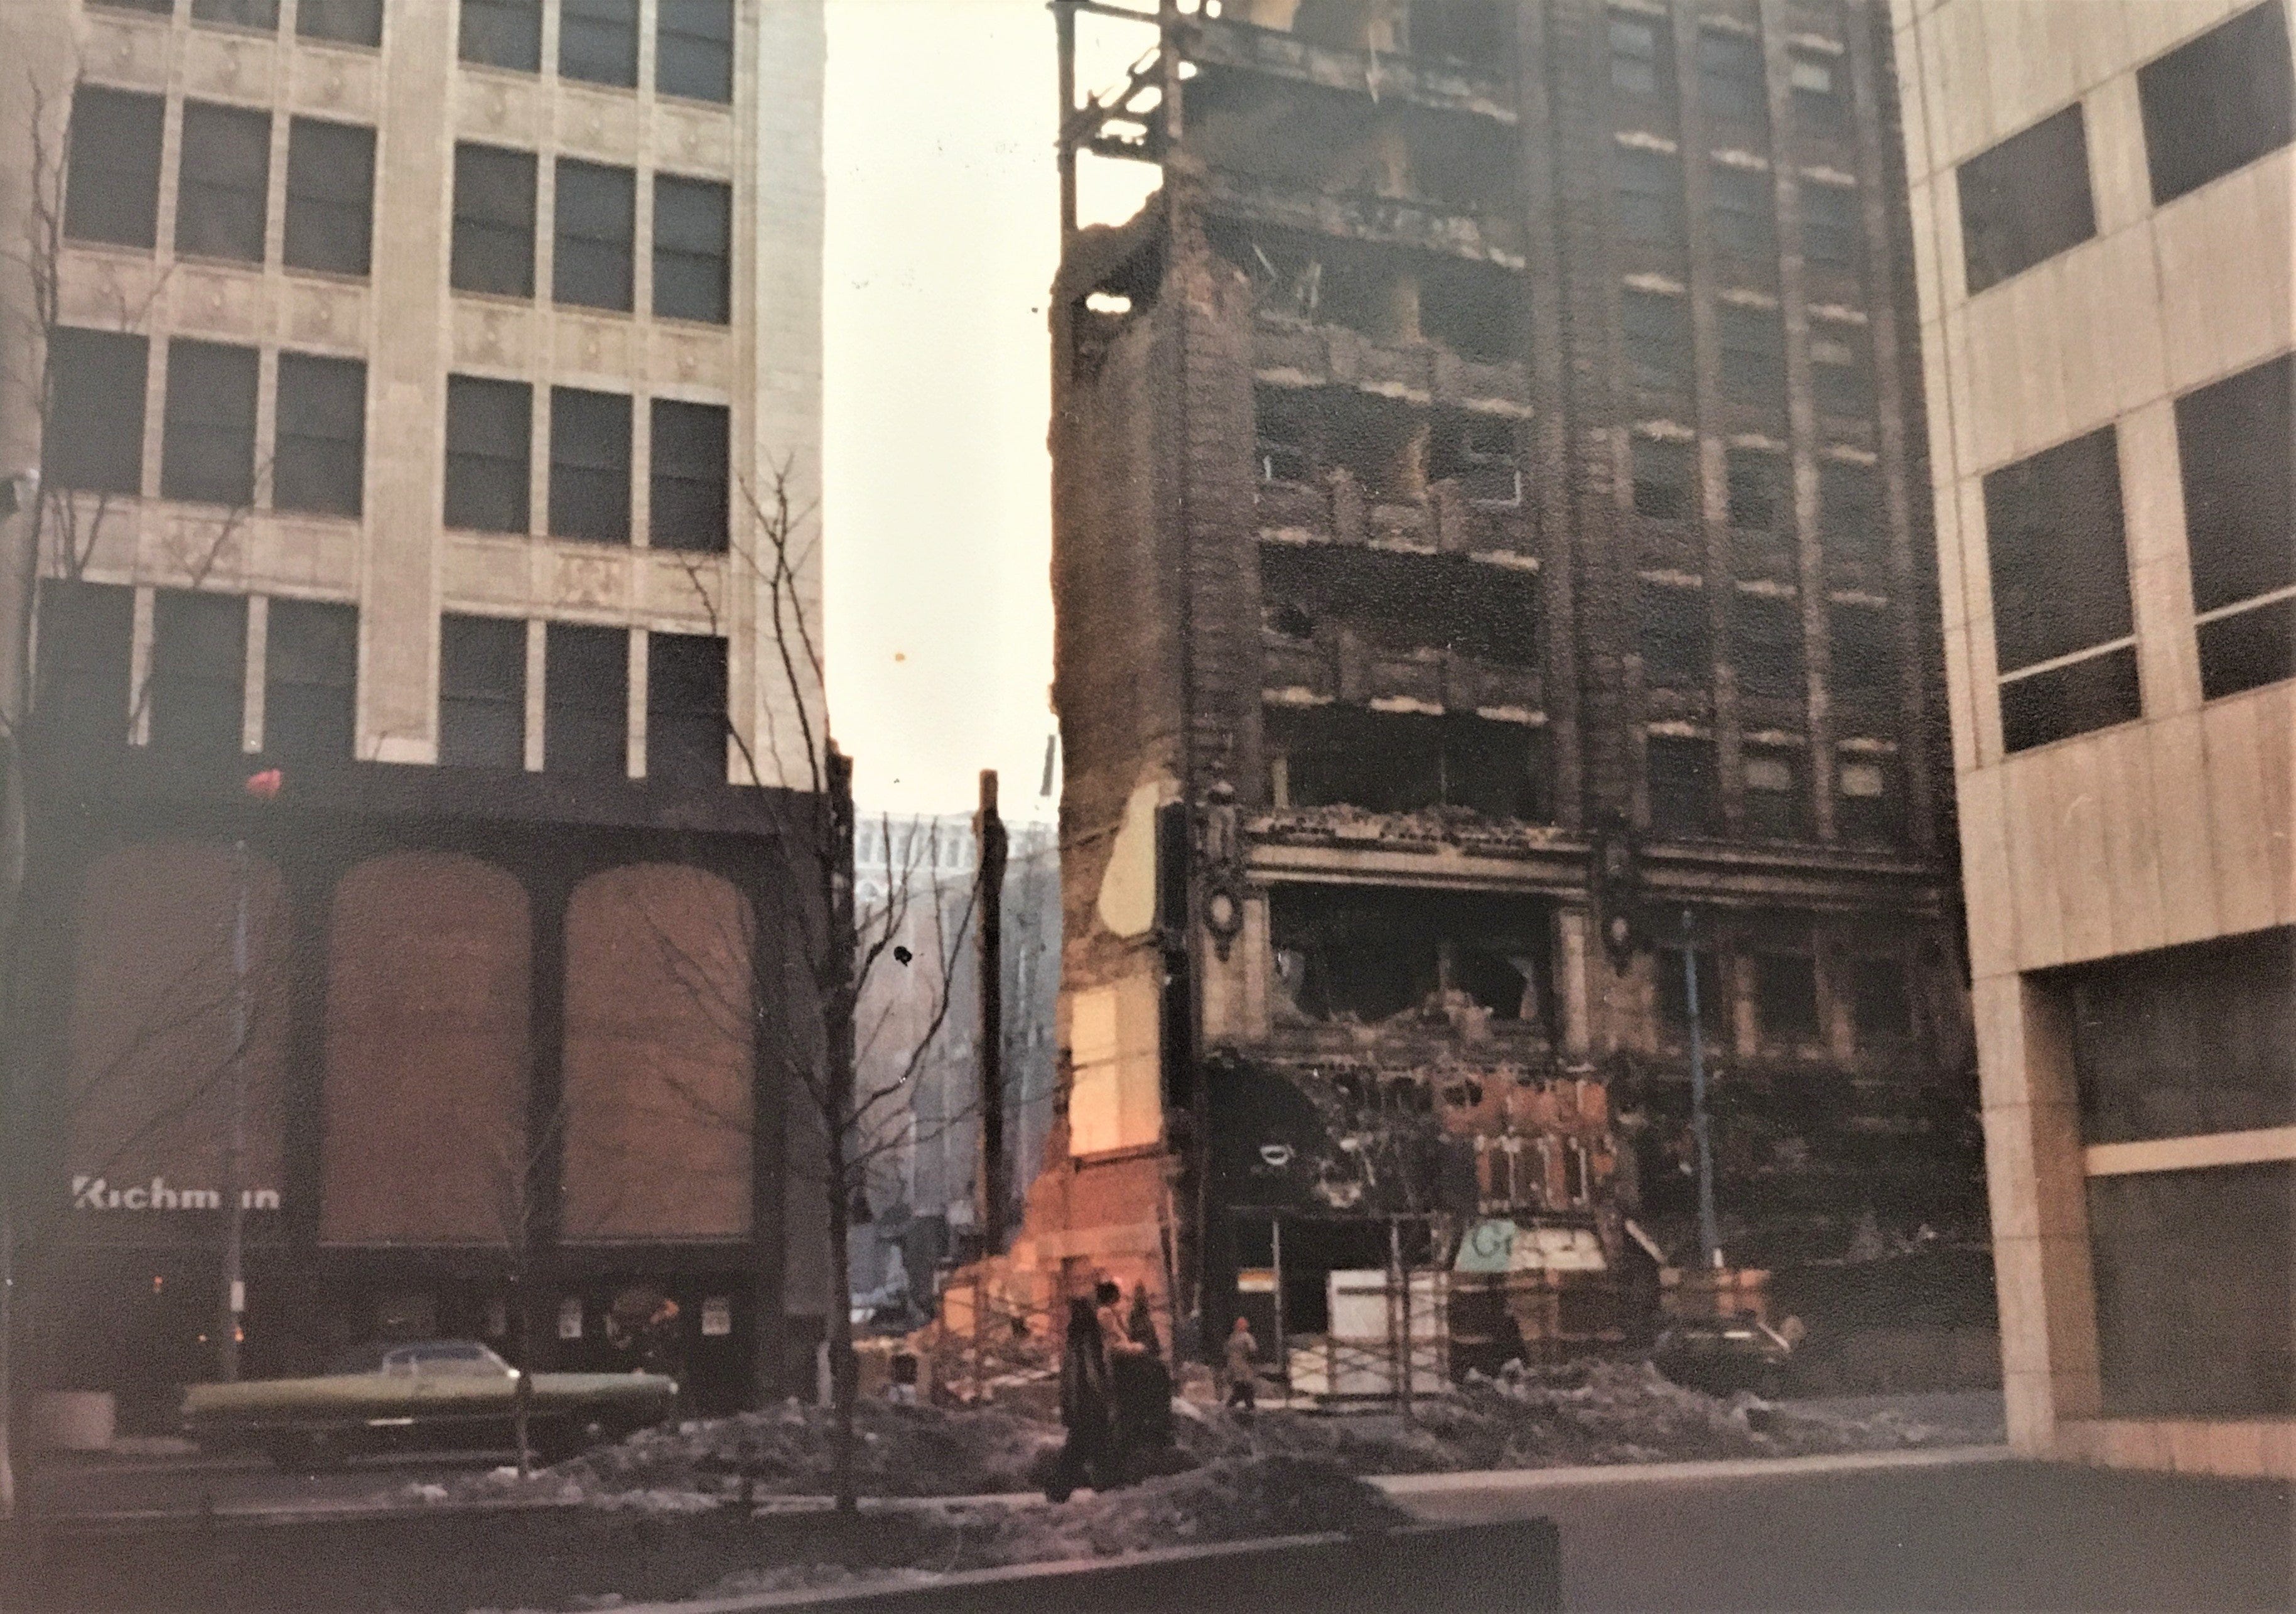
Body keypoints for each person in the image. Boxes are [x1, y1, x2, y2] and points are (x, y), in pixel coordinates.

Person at [1046, 1294, 1118, 1503]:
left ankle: (1062, 1489)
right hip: (1090, 1403)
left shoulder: (1075, 1338)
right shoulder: (1089, 1338)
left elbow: (1070, 1376)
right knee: (1091, 1447)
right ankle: (1106, 1487)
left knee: (1083, 1447)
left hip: (1080, 1403)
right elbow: (1092, 1373)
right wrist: (1105, 1397)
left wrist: (1069, 1404)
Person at [1222, 1315, 1259, 1413]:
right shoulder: (1246, 1337)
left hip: (1234, 1368)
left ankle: (1245, 1405)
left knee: (1242, 1388)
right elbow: (1253, 1350)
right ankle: (1244, 1406)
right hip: (1244, 1368)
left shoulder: (1232, 1338)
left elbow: (1226, 1351)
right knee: (1245, 1388)